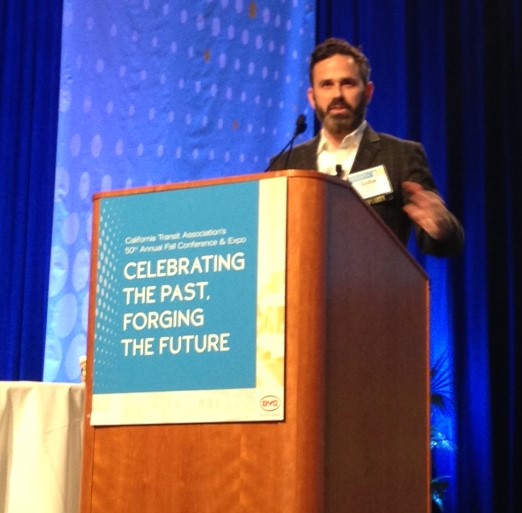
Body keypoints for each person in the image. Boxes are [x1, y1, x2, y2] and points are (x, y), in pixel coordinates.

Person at [268, 38, 464, 257]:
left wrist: (441, 227)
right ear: (312, 98)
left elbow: (442, 242)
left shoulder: (402, 156)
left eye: (348, 83)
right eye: (327, 85)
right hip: (303, 288)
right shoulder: (285, 165)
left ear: (368, 92)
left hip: (375, 287)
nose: (337, 95)